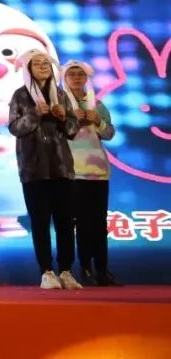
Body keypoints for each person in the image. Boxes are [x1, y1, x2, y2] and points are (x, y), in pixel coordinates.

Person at [8, 50, 82, 290]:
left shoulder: (60, 95)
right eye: (37, 64)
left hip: (61, 167)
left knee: (65, 223)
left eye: (46, 63)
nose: (42, 67)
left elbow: (73, 130)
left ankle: (66, 270)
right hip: (33, 169)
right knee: (40, 223)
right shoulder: (20, 95)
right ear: (28, 69)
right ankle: (46, 271)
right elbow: (14, 127)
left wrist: (62, 117)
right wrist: (35, 113)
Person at [62, 60, 122, 286]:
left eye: (81, 74)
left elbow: (110, 134)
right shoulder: (60, 104)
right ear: (64, 79)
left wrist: (97, 121)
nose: (77, 78)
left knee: (98, 223)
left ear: (87, 78)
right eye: (72, 74)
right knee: (78, 223)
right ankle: (84, 268)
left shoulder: (97, 104)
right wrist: (71, 120)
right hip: (71, 172)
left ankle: (102, 270)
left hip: (97, 171)